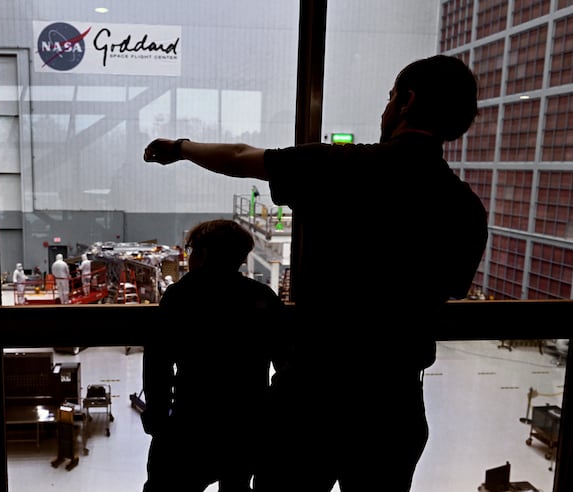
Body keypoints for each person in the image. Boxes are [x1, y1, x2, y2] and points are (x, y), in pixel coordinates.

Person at [143, 54, 489, 492]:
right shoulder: (465, 208)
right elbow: (451, 291)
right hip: (393, 402)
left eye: (389, 98)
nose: (385, 108)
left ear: (407, 101)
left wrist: (179, 148)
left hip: (313, 396)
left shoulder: (338, 167)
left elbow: (238, 155)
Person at [141, 219, 286, 492]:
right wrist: (268, 411)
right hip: (245, 426)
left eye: (192, 249)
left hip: (192, 423)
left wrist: (158, 420)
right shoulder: (262, 297)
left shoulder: (182, 296)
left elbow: (158, 363)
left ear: (205, 253)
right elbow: (287, 362)